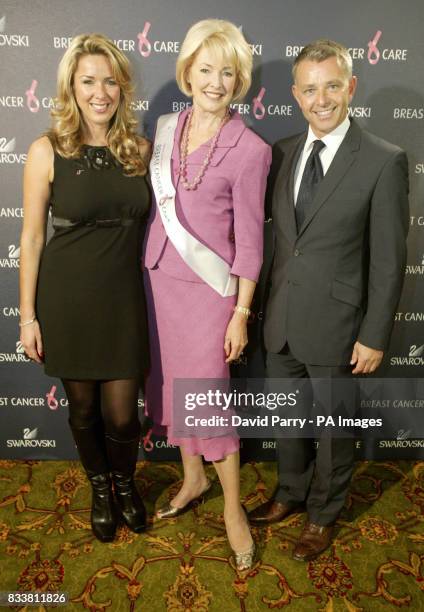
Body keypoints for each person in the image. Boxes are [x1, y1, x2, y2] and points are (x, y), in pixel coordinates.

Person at [249, 39, 409, 560]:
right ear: (296, 95)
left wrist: (374, 334)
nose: (322, 99)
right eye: (311, 89)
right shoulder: (282, 152)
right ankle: (291, 493)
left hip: (340, 327)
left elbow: (388, 259)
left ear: (351, 88)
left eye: (333, 86)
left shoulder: (384, 161)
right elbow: (279, 241)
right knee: (288, 422)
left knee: (335, 429)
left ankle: (323, 514)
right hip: (281, 320)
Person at [144, 19, 271, 570]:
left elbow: (250, 241)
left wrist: (241, 312)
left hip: (211, 292)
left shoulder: (251, 150)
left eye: (227, 72)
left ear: (239, 80)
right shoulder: (167, 128)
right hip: (158, 281)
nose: (215, 82)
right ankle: (193, 478)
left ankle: (233, 513)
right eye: (205, 69)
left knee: (209, 398)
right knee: (173, 387)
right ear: (187, 72)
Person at [19, 33, 151, 542]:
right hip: (68, 297)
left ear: (121, 89)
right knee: (84, 409)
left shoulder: (140, 150)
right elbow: (31, 237)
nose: (100, 92)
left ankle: (124, 483)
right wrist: (27, 316)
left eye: (109, 81)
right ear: (71, 88)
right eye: (88, 81)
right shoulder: (45, 150)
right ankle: (99, 488)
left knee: (123, 415)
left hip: (122, 300)